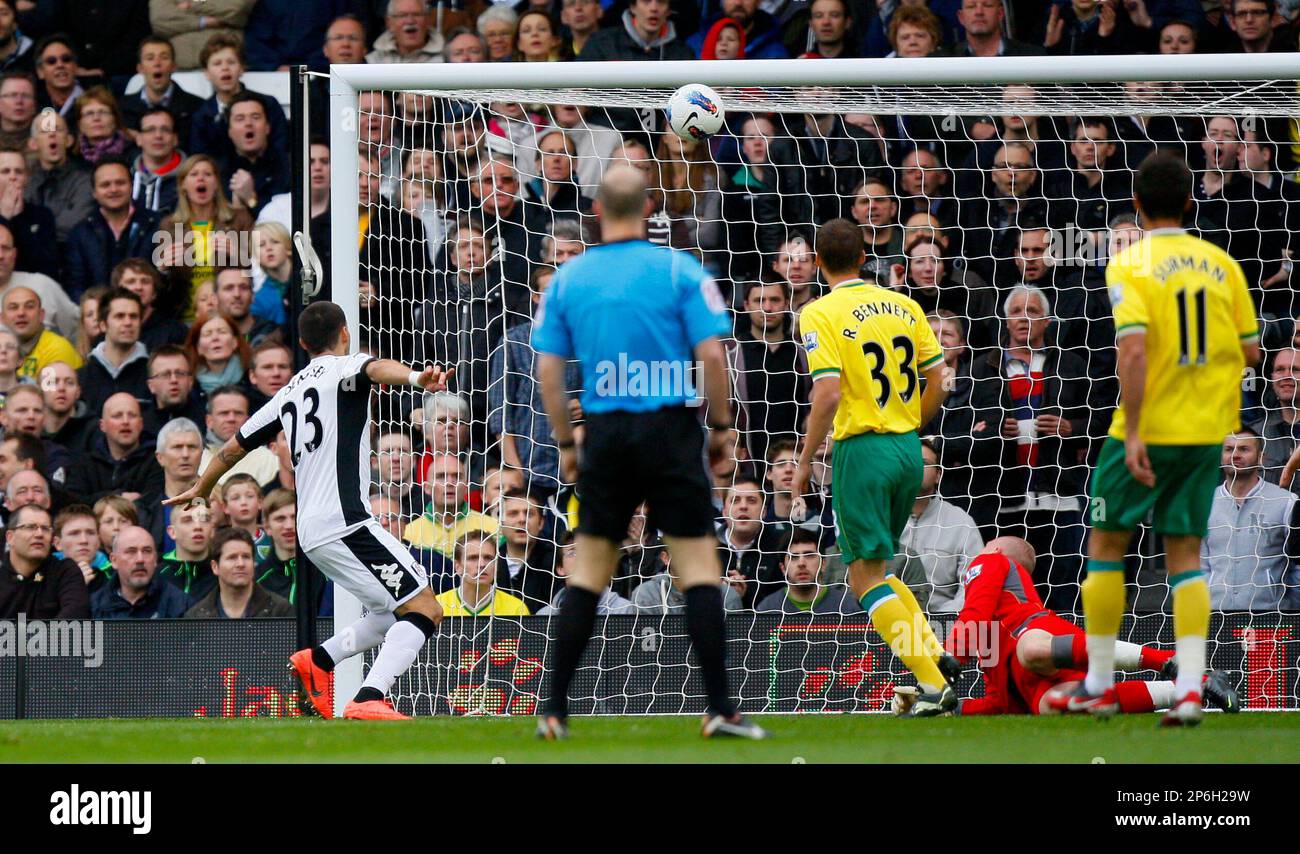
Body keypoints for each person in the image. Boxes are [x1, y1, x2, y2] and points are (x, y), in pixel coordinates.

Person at [532, 163, 764, 740]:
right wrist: (720, 428)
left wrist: (566, 442)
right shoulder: (680, 269)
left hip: (606, 433)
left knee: (588, 571)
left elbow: (549, 370)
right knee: (697, 567)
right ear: (649, 207)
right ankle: (720, 710)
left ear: (596, 212)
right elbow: (712, 357)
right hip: (669, 430)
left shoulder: (569, 278)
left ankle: (554, 711)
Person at [166, 300, 453, 721]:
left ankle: (318, 660)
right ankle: (369, 696)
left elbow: (231, 449)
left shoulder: (287, 392)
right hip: (346, 522)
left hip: (311, 531)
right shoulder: (346, 368)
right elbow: (375, 369)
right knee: (425, 607)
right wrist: (415, 377)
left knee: (389, 610)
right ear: (344, 334)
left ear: (301, 344)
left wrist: (201, 488)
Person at [1071, 152, 1260, 727]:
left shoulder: (1129, 264)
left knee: (1106, 546)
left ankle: (1100, 684)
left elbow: (1133, 349)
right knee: (1185, 557)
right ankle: (1189, 690)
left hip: (1146, 429)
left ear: (1134, 203)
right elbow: (1252, 351)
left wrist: (1131, 430)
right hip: (1205, 432)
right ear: (1189, 202)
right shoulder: (1222, 264)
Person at [793, 217, 959, 716]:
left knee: (862, 577)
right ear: (866, 258)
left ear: (817, 262)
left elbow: (827, 392)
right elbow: (940, 378)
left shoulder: (818, 312)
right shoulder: (905, 304)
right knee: (879, 568)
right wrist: (911, 422)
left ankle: (933, 684)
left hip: (861, 451)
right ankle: (933, 652)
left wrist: (803, 462)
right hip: (909, 448)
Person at [915, 537, 1238, 717]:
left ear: (996, 552)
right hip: (1037, 676)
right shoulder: (989, 639)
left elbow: (974, 612)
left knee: (1030, 650)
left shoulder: (989, 561)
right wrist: (945, 709)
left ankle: (1168, 661)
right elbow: (1002, 704)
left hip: (1039, 636)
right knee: (1048, 706)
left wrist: (941, 665)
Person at [1203, 429, 1300, 611]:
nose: (1235, 455)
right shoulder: (1203, 503)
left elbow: (1297, 564)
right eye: (1229, 449)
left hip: (1271, 617)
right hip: (1213, 617)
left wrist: (1290, 606)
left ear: (1261, 457)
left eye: (1244, 449)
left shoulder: (1285, 501)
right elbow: (1197, 564)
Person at [894, 437, 984, 614]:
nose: (916, 467)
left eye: (924, 462)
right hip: (884, 620)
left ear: (938, 475)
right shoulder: (879, 517)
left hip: (942, 621)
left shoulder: (960, 522)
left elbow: (973, 583)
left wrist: (945, 618)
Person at [63, 157, 162, 299]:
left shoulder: (157, 225)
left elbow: (165, 281)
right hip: (100, 315)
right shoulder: (80, 233)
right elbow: (75, 286)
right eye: (105, 185)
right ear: (94, 192)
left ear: (132, 186)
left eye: (120, 183)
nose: (113, 189)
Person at [64, 391, 164, 505]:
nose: (125, 421)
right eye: (117, 416)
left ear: (141, 424)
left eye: (132, 415)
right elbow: (72, 503)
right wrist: (117, 497)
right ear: (102, 425)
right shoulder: (84, 465)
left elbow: (153, 503)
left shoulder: (156, 463)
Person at [0, 503, 89, 618]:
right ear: (10, 537)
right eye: (30, 527)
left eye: (46, 529)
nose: (39, 534)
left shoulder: (65, 571)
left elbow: (75, 618)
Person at [184, 526, 294, 619]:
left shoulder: (281, 611)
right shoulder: (196, 616)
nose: (241, 564)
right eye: (232, 558)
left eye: (246, 557)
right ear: (215, 567)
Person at [26, 108, 95, 248]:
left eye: (57, 129)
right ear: (33, 144)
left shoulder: (85, 181)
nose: (52, 134)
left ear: (69, 140)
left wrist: (31, 232)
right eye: (45, 130)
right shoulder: (25, 182)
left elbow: (73, 226)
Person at [89, 524, 192, 619]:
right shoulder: (93, 607)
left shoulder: (181, 605)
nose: (140, 559)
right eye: (131, 551)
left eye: (147, 551)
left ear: (155, 559)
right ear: (114, 560)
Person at [76, 287, 150, 414]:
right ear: (103, 325)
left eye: (134, 316)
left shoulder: (154, 373)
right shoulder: (81, 378)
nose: (128, 322)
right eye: (119, 316)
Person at [755, 528, 861, 614]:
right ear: (783, 568)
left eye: (809, 555)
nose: (802, 563)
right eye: (794, 557)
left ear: (823, 564)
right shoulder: (767, 608)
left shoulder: (847, 606)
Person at [120, 35, 203, 144]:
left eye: (164, 57)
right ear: (140, 68)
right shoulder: (121, 109)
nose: (157, 64)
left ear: (174, 66)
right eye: (150, 58)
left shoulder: (196, 107)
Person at [436, 529, 530, 616]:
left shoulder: (516, 609)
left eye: (488, 558)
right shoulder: (437, 606)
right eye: (473, 558)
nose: (482, 564)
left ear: (496, 565)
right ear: (457, 566)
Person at [538, 532, 636, 614]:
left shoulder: (625, 610)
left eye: (587, 551)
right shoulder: (544, 616)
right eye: (573, 553)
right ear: (560, 569)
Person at [3, 285, 81, 379]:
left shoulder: (57, 349)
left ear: (41, 315)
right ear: (2, 319)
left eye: (29, 307)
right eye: (13, 307)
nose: (21, 313)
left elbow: (51, 392)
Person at [129, 107, 184, 215]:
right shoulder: (124, 177)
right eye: (150, 130)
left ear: (175, 139)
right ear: (138, 139)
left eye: (165, 130)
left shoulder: (192, 178)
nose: (158, 136)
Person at [159, 498, 215, 600]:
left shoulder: (223, 574)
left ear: (212, 530)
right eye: (188, 520)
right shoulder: (157, 575)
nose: (198, 526)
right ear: (172, 532)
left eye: (204, 520)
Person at [53, 503, 111, 594]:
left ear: (99, 541)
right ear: (58, 543)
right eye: (74, 533)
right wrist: (74, 588)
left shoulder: (114, 574)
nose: (84, 540)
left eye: (90, 533)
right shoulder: (43, 574)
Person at [367, 0, 446, 64]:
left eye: (416, 14)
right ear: (389, 23)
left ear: (428, 19)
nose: (410, 21)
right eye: (402, 15)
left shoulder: (446, 58)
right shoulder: (372, 61)